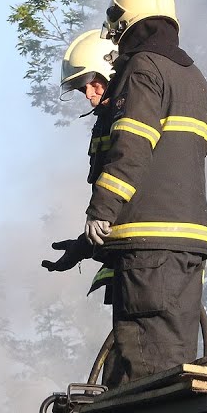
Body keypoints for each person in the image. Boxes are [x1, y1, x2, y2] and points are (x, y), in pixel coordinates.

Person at [82, 0, 207, 388]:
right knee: (172, 356)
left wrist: (101, 210)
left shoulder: (142, 68)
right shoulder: (192, 76)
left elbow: (132, 147)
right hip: (188, 243)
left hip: (147, 248)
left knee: (143, 375)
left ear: (128, 22)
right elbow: (205, 142)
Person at [41, 30, 118, 302]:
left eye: (93, 83)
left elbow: (129, 180)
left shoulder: (130, 117)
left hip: (145, 260)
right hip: (125, 257)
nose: (88, 94)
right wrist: (84, 245)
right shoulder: (106, 120)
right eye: (82, 88)